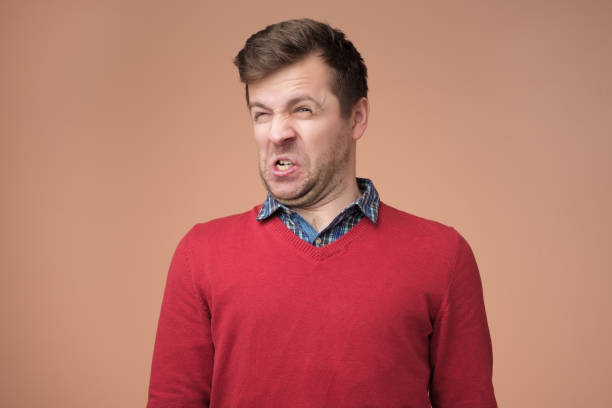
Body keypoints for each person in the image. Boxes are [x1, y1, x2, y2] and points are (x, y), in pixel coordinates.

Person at [147, 18, 498, 408]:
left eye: (302, 109)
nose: (277, 133)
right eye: (261, 113)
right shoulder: (201, 255)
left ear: (357, 118)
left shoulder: (443, 255)